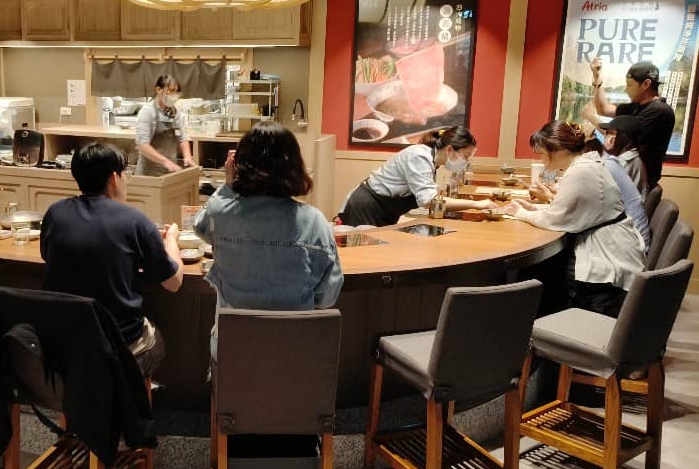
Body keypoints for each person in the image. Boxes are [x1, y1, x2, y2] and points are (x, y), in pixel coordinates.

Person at [194, 122, 343, 356]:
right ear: (294, 167)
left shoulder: (222, 214)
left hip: (233, 352)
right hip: (296, 354)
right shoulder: (315, 221)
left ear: (239, 166)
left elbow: (199, 226)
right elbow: (327, 296)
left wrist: (228, 186)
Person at [40, 142, 183, 360]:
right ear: (114, 178)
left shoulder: (55, 213)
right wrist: (171, 240)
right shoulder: (134, 220)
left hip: (64, 341)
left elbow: (46, 255)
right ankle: (133, 382)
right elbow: (173, 282)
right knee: (157, 342)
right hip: (118, 344)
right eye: (126, 174)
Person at [500, 121, 644, 318]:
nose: (541, 159)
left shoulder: (581, 171)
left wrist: (520, 213)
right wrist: (533, 208)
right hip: (609, 241)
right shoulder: (586, 164)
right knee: (541, 268)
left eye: (541, 154)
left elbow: (556, 219)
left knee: (539, 271)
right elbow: (570, 211)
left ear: (558, 150)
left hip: (606, 258)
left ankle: (530, 320)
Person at [338, 126, 494, 227]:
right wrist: (477, 205)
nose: (466, 161)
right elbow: (428, 200)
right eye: (466, 156)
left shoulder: (432, 160)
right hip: (365, 208)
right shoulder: (419, 156)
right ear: (449, 150)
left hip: (383, 211)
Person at [589, 58, 674, 189]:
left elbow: (619, 139)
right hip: (624, 176)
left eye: (629, 85)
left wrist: (591, 118)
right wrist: (596, 77)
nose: (626, 89)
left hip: (637, 182)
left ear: (646, 84)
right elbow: (603, 109)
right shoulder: (636, 106)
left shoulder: (659, 111)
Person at [135, 75, 195, 176]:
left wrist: (187, 156)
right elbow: (142, 145)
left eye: (177, 92)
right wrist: (165, 161)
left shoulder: (176, 112)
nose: (174, 95)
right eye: (170, 91)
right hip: (148, 173)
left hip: (169, 171)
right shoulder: (147, 111)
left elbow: (182, 137)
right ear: (158, 90)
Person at [596, 114, 647, 199]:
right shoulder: (633, 159)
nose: (607, 138)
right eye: (607, 133)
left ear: (624, 138)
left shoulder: (623, 163)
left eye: (611, 133)